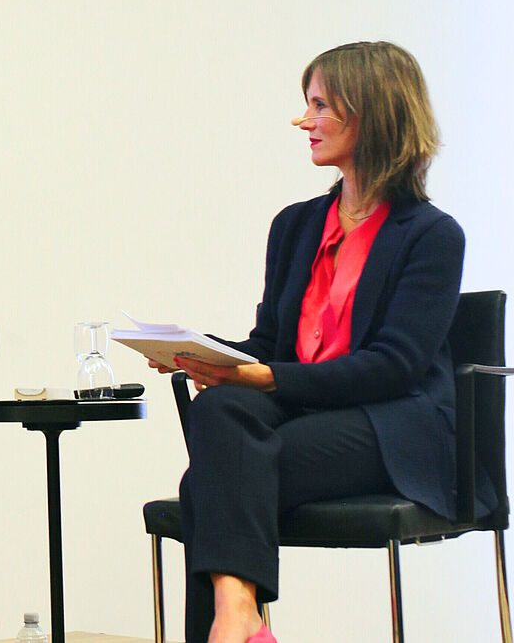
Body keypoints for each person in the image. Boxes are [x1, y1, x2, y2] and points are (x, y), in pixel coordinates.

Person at [154, 41, 477, 643]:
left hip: (390, 424)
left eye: (322, 105)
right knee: (222, 407)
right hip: (301, 411)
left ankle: (233, 624)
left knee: (207, 483)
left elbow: (396, 367)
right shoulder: (295, 224)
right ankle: (240, 621)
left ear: (372, 113)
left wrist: (268, 378)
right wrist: (196, 352)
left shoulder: (432, 236)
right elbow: (272, 345)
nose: (304, 121)